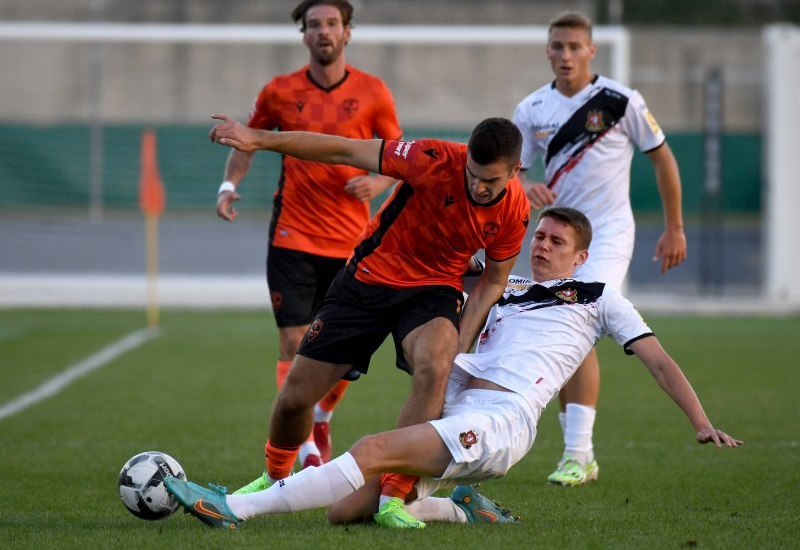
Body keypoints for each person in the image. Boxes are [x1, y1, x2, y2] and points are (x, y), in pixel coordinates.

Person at [164, 207, 741, 530]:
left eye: (555, 241)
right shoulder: (503, 284)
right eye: (537, 236)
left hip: (503, 419)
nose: (540, 246)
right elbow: (448, 245)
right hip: (460, 409)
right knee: (345, 514)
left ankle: (232, 508)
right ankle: (456, 506)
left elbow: (659, 362)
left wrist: (700, 420)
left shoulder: (599, 297)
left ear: (580, 255)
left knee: (368, 447)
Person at [208, 113, 531, 524]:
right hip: (367, 279)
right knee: (294, 399)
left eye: (492, 181)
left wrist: (459, 348)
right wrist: (258, 138)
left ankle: (393, 497)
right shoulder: (430, 157)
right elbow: (343, 148)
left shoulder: (515, 211)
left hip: (433, 291)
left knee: (434, 367)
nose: (479, 186)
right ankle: (275, 477)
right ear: (466, 157)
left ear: (515, 171)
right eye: (473, 175)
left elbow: (492, 281)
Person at [216, 0, 403, 469]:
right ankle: (297, 449)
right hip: (292, 239)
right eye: (314, 24)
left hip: (351, 245)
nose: (323, 31)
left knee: (346, 350)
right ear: (303, 35)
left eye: (332, 23)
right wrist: (228, 185)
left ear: (347, 33)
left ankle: (319, 416)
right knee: (293, 344)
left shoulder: (374, 92)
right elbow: (248, 139)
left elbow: (396, 156)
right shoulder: (279, 91)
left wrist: (377, 181)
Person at [512, 11, 688, 486]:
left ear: (591, 50)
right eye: (557, 46)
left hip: (607, 233)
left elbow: (663, 158)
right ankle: (578, 454)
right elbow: (512, 169)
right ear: (547, 51)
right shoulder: (531, 109)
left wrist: (675, 227)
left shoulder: (620, 101)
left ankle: (579, 453)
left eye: (574, 47)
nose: (566, 55)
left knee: (578, 317)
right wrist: (525, 185)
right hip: (558, 234)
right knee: (562, 328)